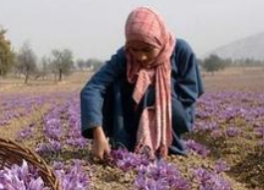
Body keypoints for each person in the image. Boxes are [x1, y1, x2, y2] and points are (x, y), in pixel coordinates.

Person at [80, 7, 204, 161]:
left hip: (173, 115)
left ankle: (163, 143)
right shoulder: (124, 55)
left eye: (148, 49)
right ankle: (124, 140)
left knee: (150, 87)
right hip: (131, 118)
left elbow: (190, 95)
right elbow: (93, 88)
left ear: (160, 40)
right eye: (134, 49)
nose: (141, 56)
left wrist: (156, 98)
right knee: (116, 84)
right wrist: (97, 132)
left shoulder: (180, 50)